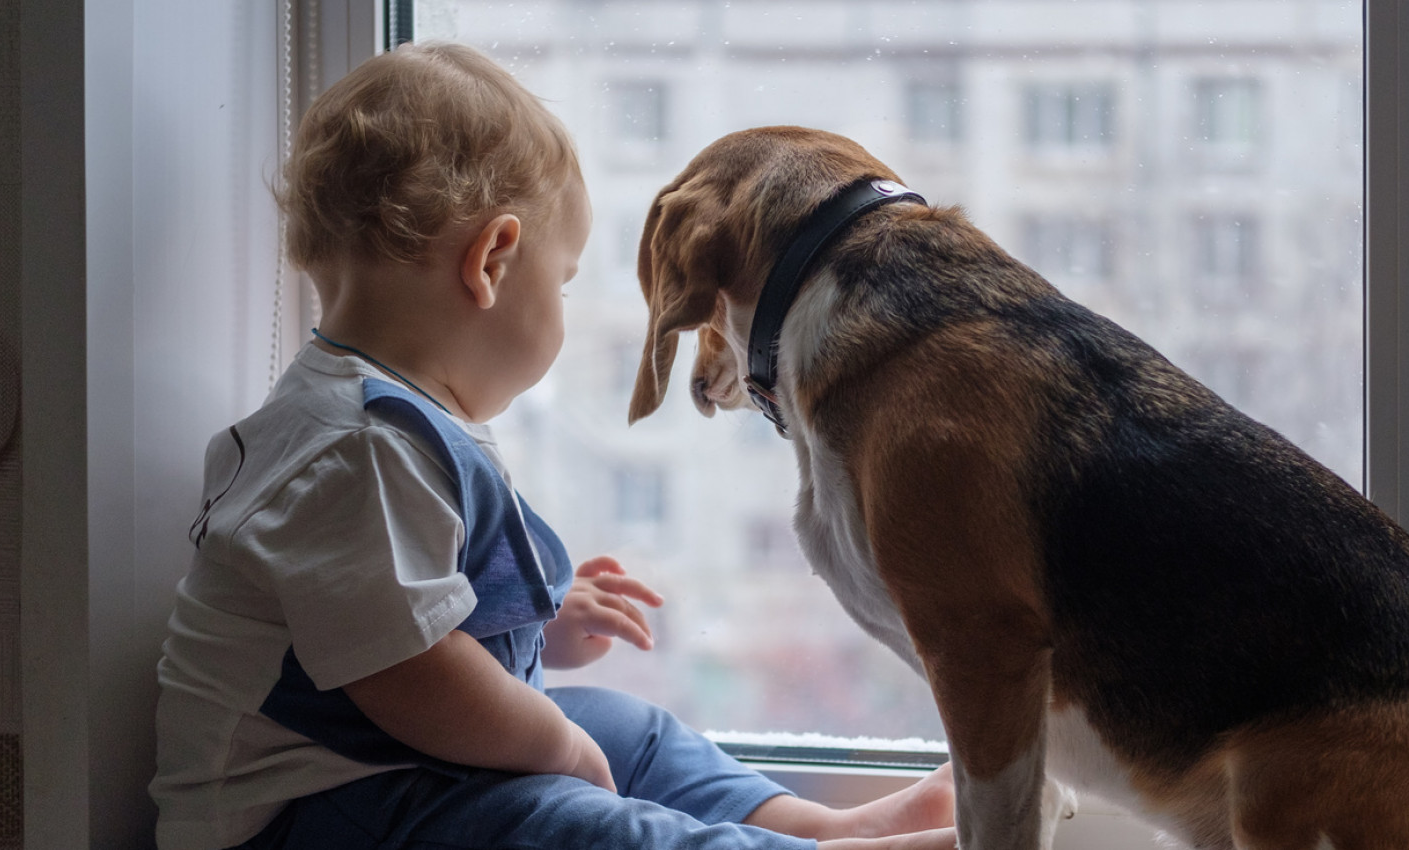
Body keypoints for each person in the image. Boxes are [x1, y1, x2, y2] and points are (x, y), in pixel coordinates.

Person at [149, 41, 955, 850]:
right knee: (571, 818)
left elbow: (405, 614)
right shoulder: (357, 447)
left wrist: (538, 630)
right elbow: (407, 676)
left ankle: (817, 827)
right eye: (563, 281)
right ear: (493, 262)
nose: (564, 306)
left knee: (627, 730)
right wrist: (560, 748)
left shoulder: (384, 418)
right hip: (307, 813)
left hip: (385, 772)